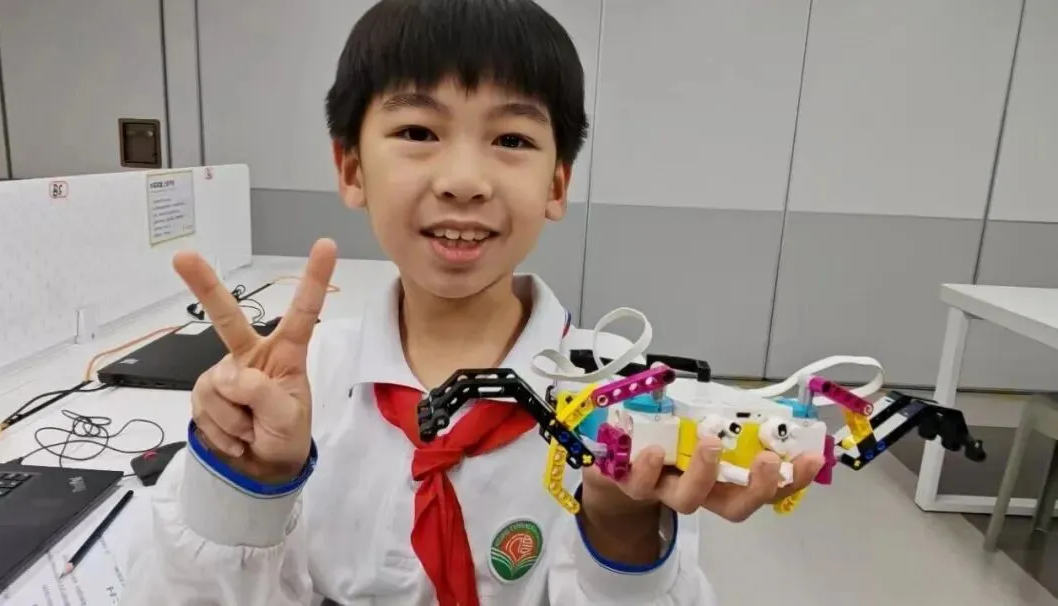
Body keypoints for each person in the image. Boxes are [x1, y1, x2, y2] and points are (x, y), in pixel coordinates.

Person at [122, 1, 823, 604]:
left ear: (556, 185)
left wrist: (621, 527)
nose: (464, 180)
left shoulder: (623, 399)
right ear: (351, 167)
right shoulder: (303, 387)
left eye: (511, 139)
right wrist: (249, 484)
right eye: (418, 133)